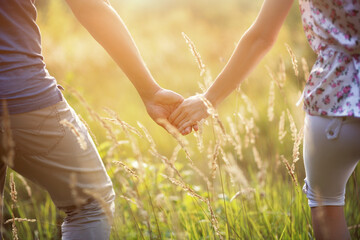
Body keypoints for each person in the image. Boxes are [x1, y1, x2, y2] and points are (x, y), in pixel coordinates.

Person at [169, 0, 359, 239]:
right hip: (332, 103)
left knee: (328, 216)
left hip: (334, 100)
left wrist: (209, 99)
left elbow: (261, 37)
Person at [0, 0, 184, 239]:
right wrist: (149, 90)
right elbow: (89, 6)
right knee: (92, 205)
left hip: (21, 96)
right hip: (23, 96)